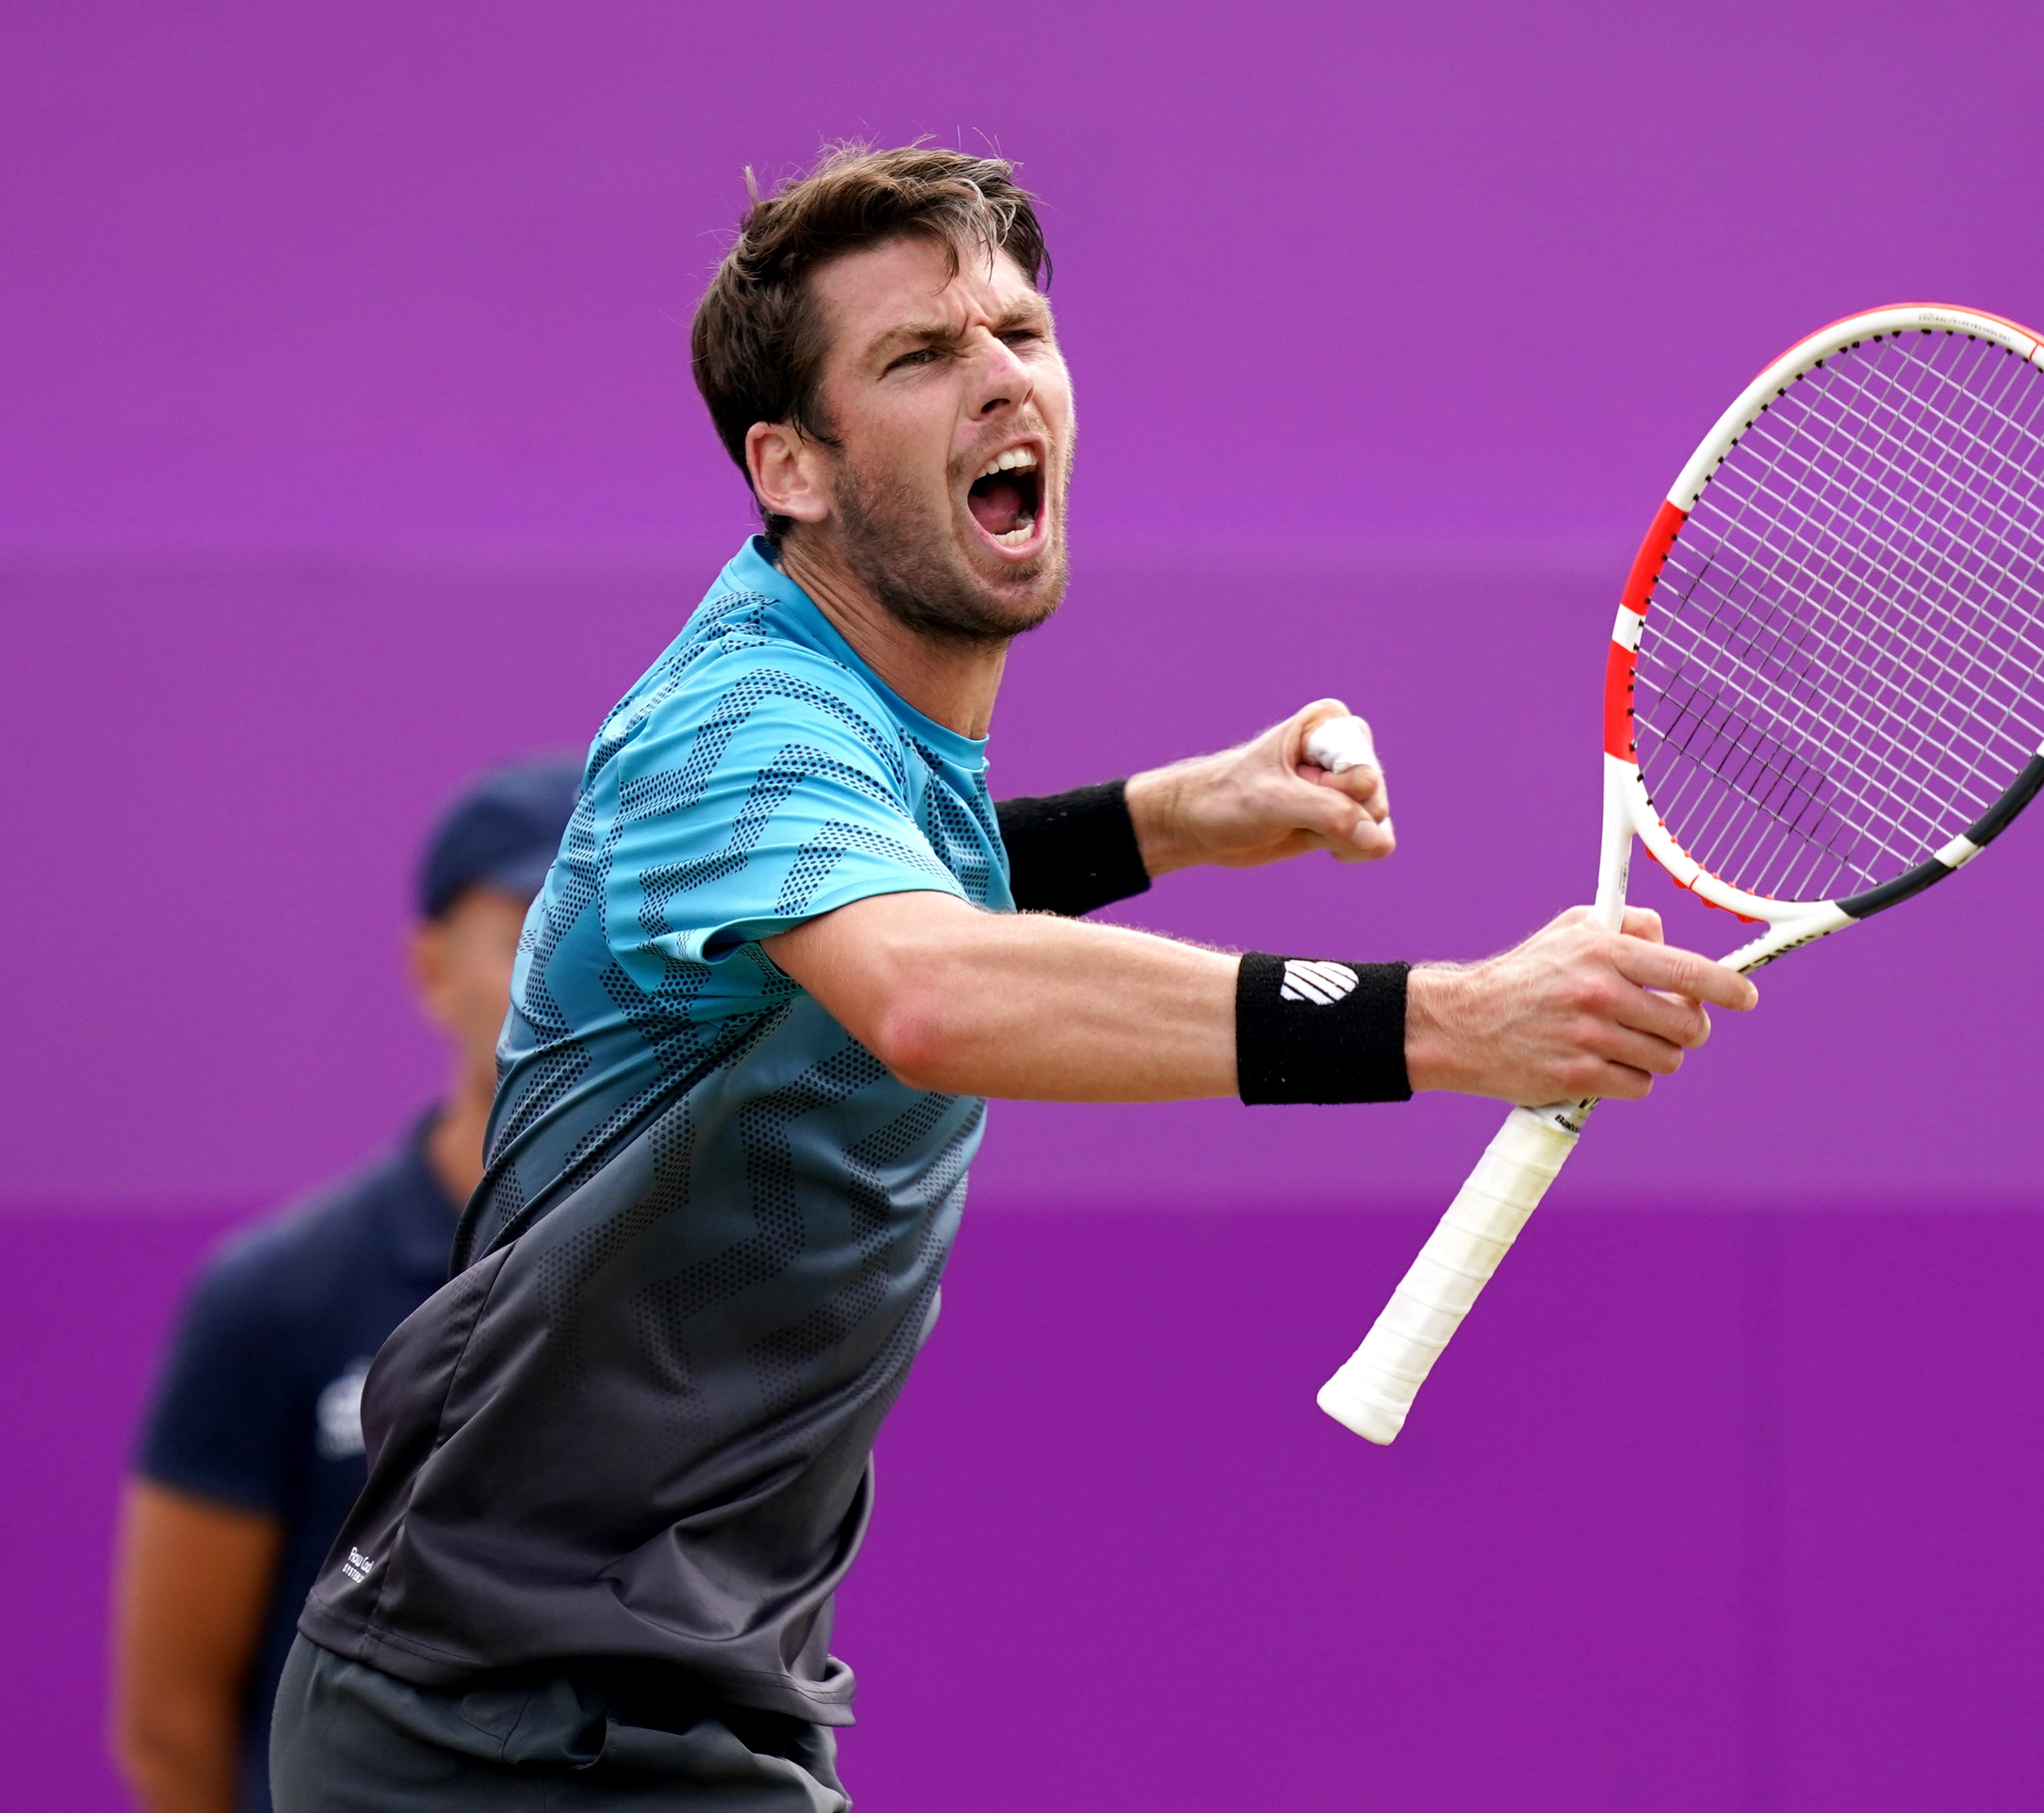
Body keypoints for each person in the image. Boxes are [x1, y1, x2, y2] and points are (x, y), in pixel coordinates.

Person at [272, 145, 1756, 1812]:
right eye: (918, 356)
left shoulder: (848, 705)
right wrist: (1446, 1022)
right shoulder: (738, 727)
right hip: (508, 1724)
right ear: (795, 467)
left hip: (643, 1693)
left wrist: (1165, 818)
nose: (1000, 380)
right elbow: (925, 992)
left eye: (1021, 333)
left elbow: (882, 897)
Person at [109, 758, 577, 1813]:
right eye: (526, 933)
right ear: (431, 969)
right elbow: (172, 1723)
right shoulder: (276, 1298)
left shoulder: (702, 1278)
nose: (569, 971)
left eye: (599, 931)